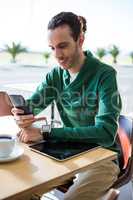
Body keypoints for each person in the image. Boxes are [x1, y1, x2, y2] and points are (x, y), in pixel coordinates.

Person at [12, 12, 122, 200]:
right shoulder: (55, 75)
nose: (57, 55)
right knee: (19, 192)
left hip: (102, 157)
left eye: (63, 46)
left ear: (80, 40)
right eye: (52, 48)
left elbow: (105, 132)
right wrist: (21, 114)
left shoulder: (105, 75)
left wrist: (46, 132)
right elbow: (33, 106)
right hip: (66, 151)